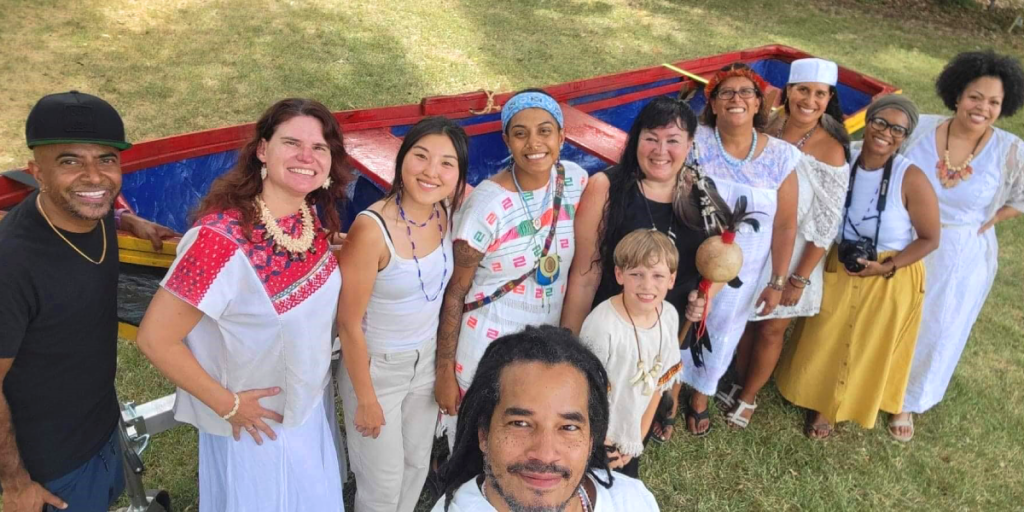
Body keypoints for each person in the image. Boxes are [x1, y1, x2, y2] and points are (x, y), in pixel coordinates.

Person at [135, 98, 351, 511]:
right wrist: (228, 406)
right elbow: (155, 339)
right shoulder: (218, 240)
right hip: (257, 429)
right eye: (292, 143)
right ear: (262, 150)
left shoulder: (307, 219)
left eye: (320, 147)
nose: (307, 156)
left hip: (306, 412)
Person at [0, 91, 177, 512]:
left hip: (100, 418)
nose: (95, 177)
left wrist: (126, 219)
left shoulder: (89, 215)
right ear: (36, 172)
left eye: (107, 159)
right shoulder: (12, 265)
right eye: (70, 161)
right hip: (51, 463)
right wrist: (17, 483)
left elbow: (98, 206)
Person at [775, 95, 940, 439]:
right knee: (825, 332)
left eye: (898, 129)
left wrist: (888, 267)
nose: (885, 133)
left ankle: (835, 408)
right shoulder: (841, 154)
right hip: (839, 256)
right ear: (868, 121)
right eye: (880, 122)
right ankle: (815, 394)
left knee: (867, 343)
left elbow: (929, 238)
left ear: (905, 136)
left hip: (889, 270)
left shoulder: (910, 178)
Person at [560, 96, 720, 443]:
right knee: (594, 413)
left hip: (664, 330)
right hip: (614, 331)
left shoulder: (701, 192)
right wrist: (567, 348)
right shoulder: (608, 188)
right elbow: (585, 274)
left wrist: (706, 298)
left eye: (673, 140)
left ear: (689, 145)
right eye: (651, 138)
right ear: (636, 140)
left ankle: (654, 418)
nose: (661, 150)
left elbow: (716, 261)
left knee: (638, 414)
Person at [434, 89, 588, 444]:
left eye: (545, 131)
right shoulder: (486, 206)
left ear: (562, 136)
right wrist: (444, 371)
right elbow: (456, 292)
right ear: (507, 139)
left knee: (523, 433)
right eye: (520, 133)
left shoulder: (575, 181)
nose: (534, 143)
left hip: (542, 345)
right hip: (486, 342)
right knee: (478, 436)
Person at [336, 116, 468, 512]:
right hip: (378, 368)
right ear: (402, 160)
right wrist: (365, 398)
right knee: (381, 484)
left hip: (425, 362)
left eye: (447, 163)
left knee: (414, 467)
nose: (431, 172)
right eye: (421, 157)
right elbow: (347, 323)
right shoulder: (370, 230)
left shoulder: (443, 210)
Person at [895, 51, 1024, 441]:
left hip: (958, 253)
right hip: (902, 238)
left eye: (994, 102)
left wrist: (990, 221)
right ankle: (871, 381)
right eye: (975, 96)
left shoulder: (1010, 150)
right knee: (890, 316)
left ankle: (906, 400)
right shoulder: (920, 129)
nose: (982, 107)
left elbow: (1020, 198)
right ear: (956, 95)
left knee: (938, 325)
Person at [725, 58, 851, 429]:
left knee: (772, 327)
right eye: (802, 90)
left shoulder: (831, 149)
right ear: (788, 92)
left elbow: (826, 224)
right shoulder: (769, 124)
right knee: (746, 319)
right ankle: (736, 380)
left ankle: (748, 397)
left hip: (797, 251)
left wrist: (798, 279)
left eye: (820, 94)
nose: (809, 100)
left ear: (829, 99)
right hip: (756, 240)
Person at [678, 64, 801, 436]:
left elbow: (785, 224)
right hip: (689, 249)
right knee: (681, 315)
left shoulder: (781, 156)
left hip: (744, 265)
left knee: (725, 324)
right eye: (725, 93)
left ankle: (701, 393)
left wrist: (778, 280)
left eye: (746, 92)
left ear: (759, 103)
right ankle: (668, 387)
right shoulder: (693, 140)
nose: (736, 99)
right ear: (712, 104)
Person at [431, 325, 660, 512]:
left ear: (591, 440)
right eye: (520, 423)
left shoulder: (634, 501)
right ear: (484, 433)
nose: (545, 454)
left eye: (569, 427)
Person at [578, 229, 681, 478]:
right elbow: (583, 392)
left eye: (658, 275)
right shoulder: (603, 325)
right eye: (637, 274)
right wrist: (604, 441)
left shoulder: (668, 316)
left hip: (631, 435)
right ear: (619, 274)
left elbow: (657, 386)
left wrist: (637, 441)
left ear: (672, 279)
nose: (647, 285)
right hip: (593, 436)